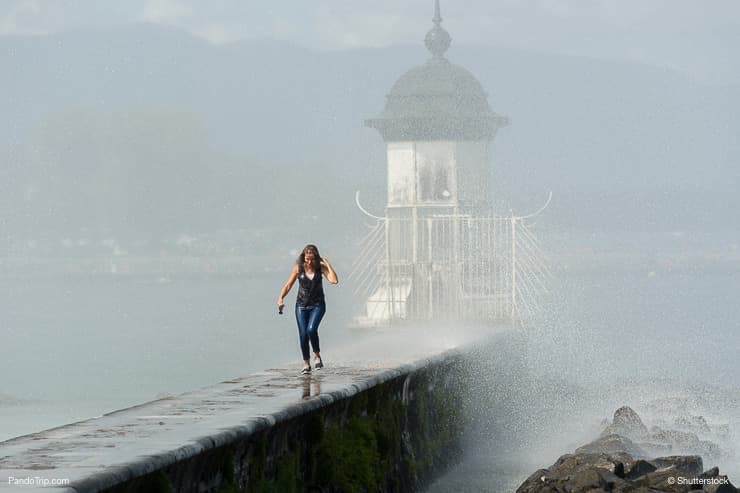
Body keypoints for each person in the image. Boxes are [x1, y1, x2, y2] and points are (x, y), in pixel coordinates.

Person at [277, 244, 338, 374]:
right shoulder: (298, 268)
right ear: (303, 258)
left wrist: (327, 264)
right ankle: (306, 363)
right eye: (307, 259)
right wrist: (280, 299)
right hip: (301, 306)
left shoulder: (320, 268)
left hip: (318, 305)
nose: (309, 262)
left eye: (312, 259)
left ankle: (317, 355)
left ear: (316, 258)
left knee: (311, 330)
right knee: (303, 334)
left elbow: (334, 281)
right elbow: (288, 285)